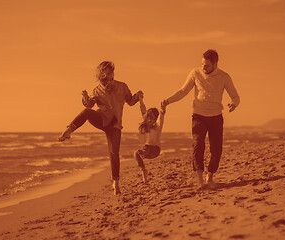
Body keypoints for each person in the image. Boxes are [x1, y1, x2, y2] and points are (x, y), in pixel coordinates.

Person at [58, 61, 143, 195]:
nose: (110, 75)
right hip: (102, 119)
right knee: (86, 113)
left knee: (114, 153)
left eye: (111, 72)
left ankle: (116, 183)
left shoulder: (122, 86)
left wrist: (138, 97)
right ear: (101, 75)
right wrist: (85, 98)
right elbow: (89, 106)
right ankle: (69, 130)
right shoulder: (96, 89)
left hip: (115, 124)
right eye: (107, 73)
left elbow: (131, 102)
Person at [162, 49, 240, 189]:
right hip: (198, 115)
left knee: (216, 150)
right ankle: (200, 181)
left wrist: (234, 104)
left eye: (207, 65)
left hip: (216, 116)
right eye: (202, 64)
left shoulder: (224, 77)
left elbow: (236, 96)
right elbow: (183, 91)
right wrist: (168, 101)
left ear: (215, 64)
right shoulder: (195, 73)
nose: (203, 67)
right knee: (198, 146)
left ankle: (209, 177)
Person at [134, 95, 166, 183]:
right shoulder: (147, 124)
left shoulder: (158, 126)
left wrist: (163, 110)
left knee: (146, 147)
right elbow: (143, 110)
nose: (150, 119)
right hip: (147, 150)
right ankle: (144, 171)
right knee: (136, 153)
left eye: (152, 117)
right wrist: (140, 100)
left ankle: (143, 154)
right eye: (149, 117)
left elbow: (161, 118)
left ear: (155, 118)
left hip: (155, 150)